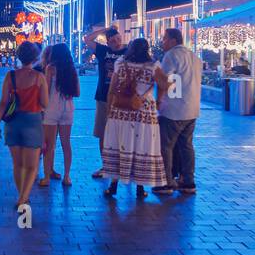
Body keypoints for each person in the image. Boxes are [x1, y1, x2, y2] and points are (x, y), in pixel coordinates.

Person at [101, 38, 168, 199]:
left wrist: (110, 110)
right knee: (141, 147)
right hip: (143, 112)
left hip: (120, 112)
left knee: (119, 145)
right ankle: (139, 188)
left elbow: (112, 88)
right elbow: (164, 85)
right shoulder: (153, 66)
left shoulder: (120, 63)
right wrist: (158, 101)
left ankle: (113, 185)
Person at [0, 41, 48, 210]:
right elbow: (45, 103)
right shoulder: (39, 77)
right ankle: (23, 197)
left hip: (13, 123)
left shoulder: (10, 76)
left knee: (17, 164)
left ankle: (21, 196)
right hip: (32, 122)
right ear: (35, 57)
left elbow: (3, 102)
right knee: (31, 166)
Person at [153, 28, 199, 196]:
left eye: (164, 39)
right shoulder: (194, 56)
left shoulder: (172, 55)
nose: (162, 42)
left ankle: (166, 182)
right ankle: (188, 181)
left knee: (165, 146)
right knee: (186, 146)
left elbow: (164, 82)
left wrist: (155, 70)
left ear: (173, 40)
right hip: (192, 108)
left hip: (174, 110)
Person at [84, 26, 126, 179]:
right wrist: (105, 29)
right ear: (108, 42)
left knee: (123, 134)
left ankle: (123, 166)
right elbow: (87, 39)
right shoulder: (102, 51)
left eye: (119, 39)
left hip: (122, 100)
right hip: (103, 97)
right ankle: (106, 166)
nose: (117, 42)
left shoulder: (127, 52)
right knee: (103, 133)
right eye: (113, 40)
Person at [39, 42, 79, 187]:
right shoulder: (72, 70)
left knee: (49, 145)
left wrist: (41, 107)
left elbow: (46, 90)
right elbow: (78, 92)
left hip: (52, 108)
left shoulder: (50, 68)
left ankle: (46, 178)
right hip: (68, 108)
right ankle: (67, 176)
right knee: (66, 144)